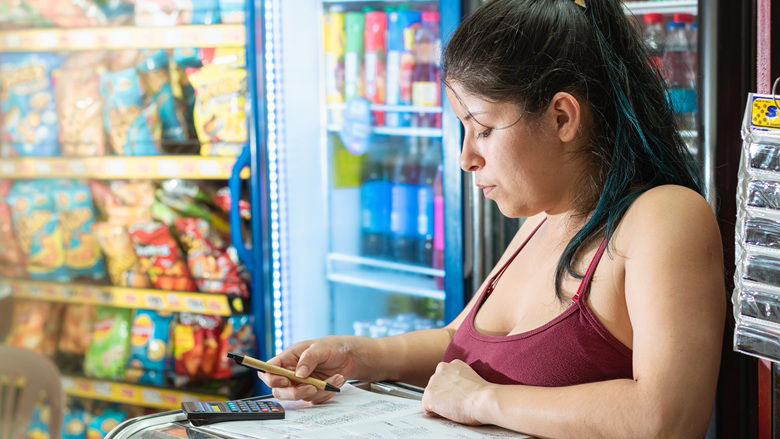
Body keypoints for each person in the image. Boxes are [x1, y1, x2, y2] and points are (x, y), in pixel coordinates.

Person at [260, 0, 726, 437]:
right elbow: (457, 342)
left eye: (482, 128)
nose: (466, 157)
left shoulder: (666, 217)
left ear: (563, 117)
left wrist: (484, 401)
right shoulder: (541, 222)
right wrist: (353, 355)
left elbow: (668, 418)